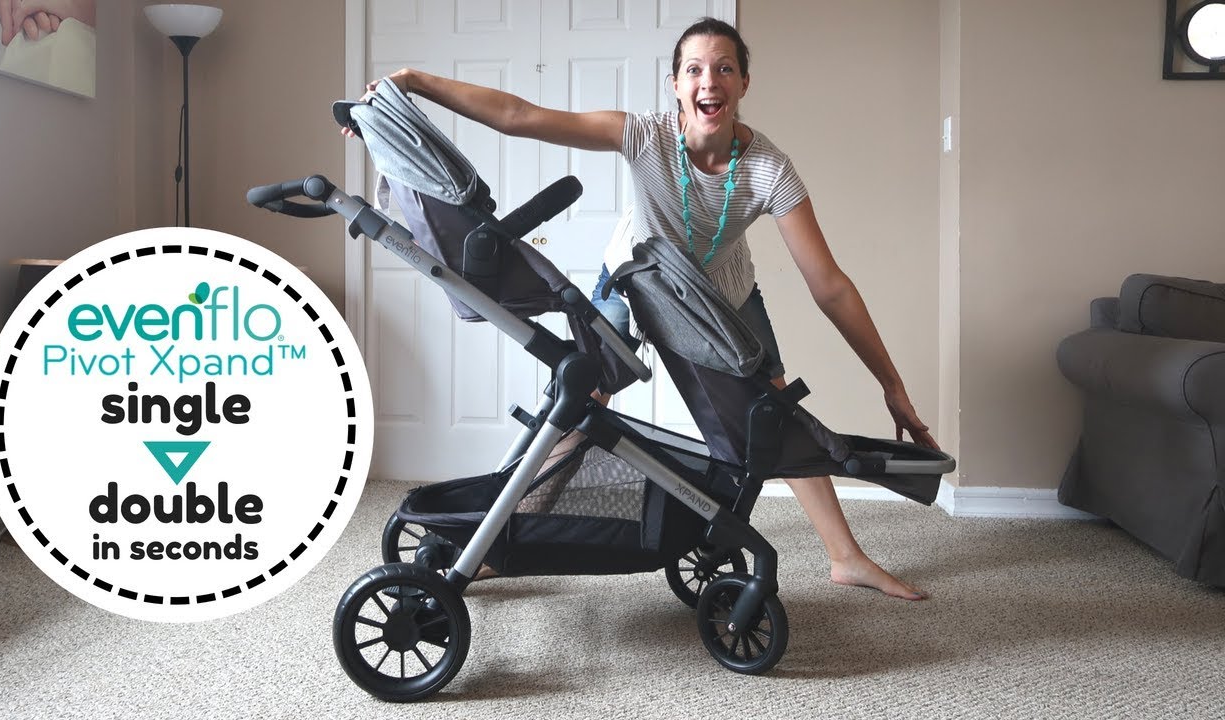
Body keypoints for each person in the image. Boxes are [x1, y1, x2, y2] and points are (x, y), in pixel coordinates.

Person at [349, 18, 942, 601]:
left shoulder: (768, 169)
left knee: (773, 415)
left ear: (744, 83)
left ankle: (845, 557)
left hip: (722, 297)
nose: (709, 81)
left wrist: (891, 386)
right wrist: (416, 81)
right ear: (675, 84)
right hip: (630, 281)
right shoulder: (644, 136)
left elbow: (830, 286)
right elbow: (519, 116)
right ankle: (495, 545)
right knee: (578, 401)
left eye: (724, 68)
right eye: (694, 70)